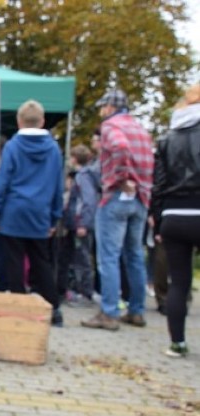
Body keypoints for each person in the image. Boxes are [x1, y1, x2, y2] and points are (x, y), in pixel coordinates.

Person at [0, 99, 65, 326]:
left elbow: (2, 183)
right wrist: (54, 218)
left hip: (13, 212)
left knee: (14, 263)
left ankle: (19, 312)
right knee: (42, 263)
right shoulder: (53, 149)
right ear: (42, 121)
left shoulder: (12, 146)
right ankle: (55, 311)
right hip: (40, 213)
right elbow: (58, 187)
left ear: (19, 121)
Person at [82, 88, 154, 331]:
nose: (101, 111)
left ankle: (109, 312)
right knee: (135, 255)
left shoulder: (111, 127)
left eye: (103, 107)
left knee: (108, 256)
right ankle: (136, 310)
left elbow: (121, 148)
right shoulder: (141, 129)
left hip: (117, 196)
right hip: (141, 198)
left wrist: (122, 177)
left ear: (110, 107)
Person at [150, 83, 200, 357]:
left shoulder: (167, 138)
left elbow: (157, 185)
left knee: (178, 283)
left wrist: (158, 222)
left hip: (173, 216)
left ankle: (177, 343)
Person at [63, 144, 99, 305]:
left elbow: (87, 200)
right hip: (79, 222)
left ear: (75, 158)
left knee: (82, 259)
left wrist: (82, 223)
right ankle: (80, 290)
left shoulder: (83, 176)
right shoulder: (84, 174)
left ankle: (85, 294)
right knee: (78, 257)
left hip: (80, 223)